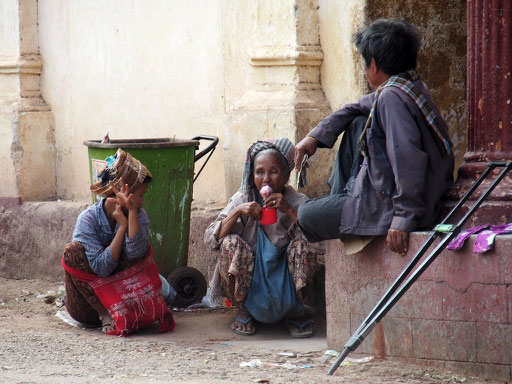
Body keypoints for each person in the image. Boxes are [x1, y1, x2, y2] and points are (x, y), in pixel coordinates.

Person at [295, 19, 455, 254]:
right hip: (397, 196)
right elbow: (355, 108)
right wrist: (315, 137)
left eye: (365, 63)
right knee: (357, 121)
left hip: (398, 207)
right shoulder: (409, 86)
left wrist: (403, 219)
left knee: (305, 215)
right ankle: (348, 203)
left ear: (375, 65)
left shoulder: (391, 97)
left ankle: (351, 211)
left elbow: (408, 159)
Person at [204, 138, 324, 338]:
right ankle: (245, 309)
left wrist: (290, 211)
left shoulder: (297, 201)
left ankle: (296, 311)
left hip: (285, 278)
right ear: (252, 175)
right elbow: (210, 240)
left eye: (274, 171)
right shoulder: (243, 199)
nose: (266, 178)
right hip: (252, 279)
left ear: (286, 175)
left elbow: (321, 244)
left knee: (302, 244)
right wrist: (237, 212)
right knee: (229, 243)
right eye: (260, 172)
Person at [62, 150, 175, 333]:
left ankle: (128, 314)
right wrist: (121, 230)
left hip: (125, 301)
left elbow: (136, 256)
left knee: (140, 248)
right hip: (89, 307)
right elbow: (101, 269)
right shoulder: (88, 219)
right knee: (72, 251)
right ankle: (105, 314)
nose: (143, 201)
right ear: (119, 193)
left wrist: (130, 215)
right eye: (140, 195)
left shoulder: (139, 216)